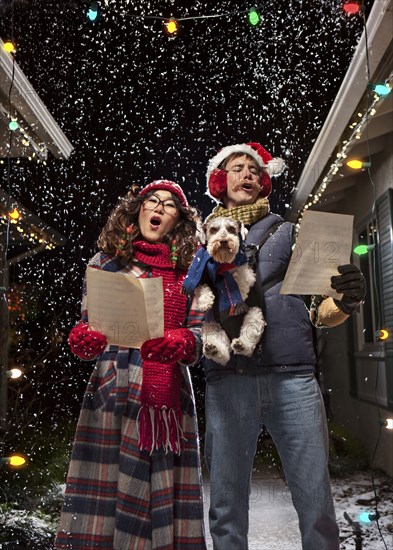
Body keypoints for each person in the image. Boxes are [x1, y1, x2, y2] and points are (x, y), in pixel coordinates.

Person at [201, 143, 366, 550]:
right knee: (225, 504)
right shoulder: (199, 242)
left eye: (255, 170)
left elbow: (318, 311)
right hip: (227, 382)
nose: (248, 175)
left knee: (315, 500)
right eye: (238, 168)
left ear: (264, 182)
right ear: (221, 180)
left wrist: (346, 300)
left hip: (293, 380)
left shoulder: (293, 233)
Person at [55, 180, 206, 550]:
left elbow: (201, 332)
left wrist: (184, 340)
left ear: (179, 221)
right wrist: (83, 337)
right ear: (138, 208)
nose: (158, 208)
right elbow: (90, 321)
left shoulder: (190, 269)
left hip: (166, 393)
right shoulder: (106, 261)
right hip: (114, 386)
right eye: (152, 200)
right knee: (106, 485)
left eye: (169, 205)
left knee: (160, 488)